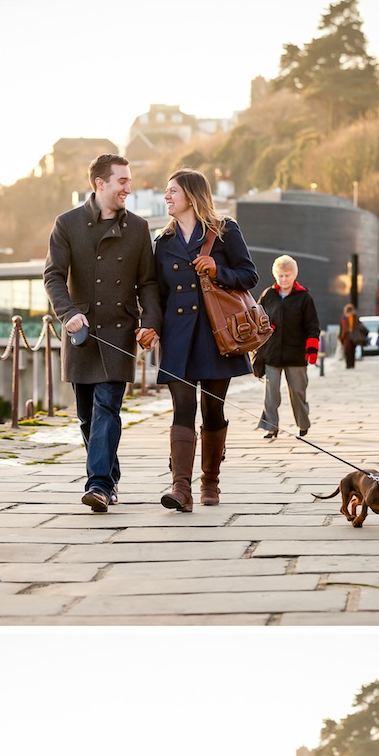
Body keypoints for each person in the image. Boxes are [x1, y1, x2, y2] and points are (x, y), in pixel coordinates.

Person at [44, 153, 161, 512]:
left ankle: (97, 484)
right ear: (100, 183)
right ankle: (109, 477)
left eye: (128, 180)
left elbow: (148, 282)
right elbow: (52, 276)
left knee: (106, 407)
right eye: (122, 181)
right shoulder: (67, 224)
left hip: (119, 333)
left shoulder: (139, 228)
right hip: (81, 333)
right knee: (86, 416)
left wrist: (150, 322)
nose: (129, 187)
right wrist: (68, 313)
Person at [149, 169, 258, 512]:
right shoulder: (163, 243)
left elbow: (249, 275)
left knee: (213, 409)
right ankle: (181, 488)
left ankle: (210, 481)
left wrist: (217, 269)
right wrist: (149, 326)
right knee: (183, 407)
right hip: (178, 338)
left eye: (172, 192)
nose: (166, 197)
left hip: (216, 336)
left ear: (192, 195)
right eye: (166, 192)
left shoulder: (225, 231)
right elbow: (156, 293)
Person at [255, 255, 321, 438]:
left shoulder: (304, 297)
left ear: (294, 275)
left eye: (287, 275)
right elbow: (257, 318)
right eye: (281, 276)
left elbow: (312, 326)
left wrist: (312, 349)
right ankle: (271, 427)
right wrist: (265, 327)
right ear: (276, 276)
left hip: (296, 354)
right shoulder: (268, 295)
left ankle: (303, 424)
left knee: (298, 392)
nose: (284, 279)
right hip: (272, 353)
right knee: (271, 394)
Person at [338, 303, 368, 368]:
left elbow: (343, 329)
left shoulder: (352, 318)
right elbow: (342, 329)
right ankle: (350, 364)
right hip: (350, 337)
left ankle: (350, 364)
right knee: (349, 351)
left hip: (351, 337)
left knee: (350, 351)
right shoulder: (347, 318)